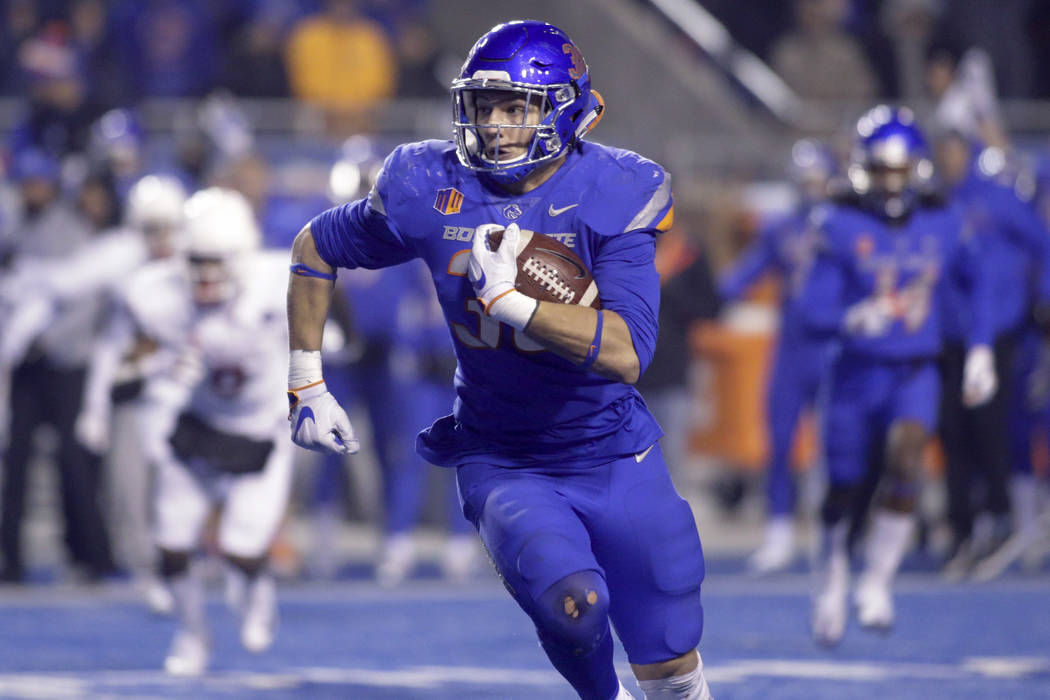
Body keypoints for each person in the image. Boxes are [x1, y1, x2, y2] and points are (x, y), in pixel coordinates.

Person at [285, 20, 711, 700]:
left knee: (671, 661)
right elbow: (315, 247)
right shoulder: (428, 184)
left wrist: (517, 305)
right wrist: (305, 380)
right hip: (504, 455)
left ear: (567, 110)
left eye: (516, 107)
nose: (494, 125)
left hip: (612, 450)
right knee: (575, 604)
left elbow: (629, 351)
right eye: (484, 106)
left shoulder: (616, 188)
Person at [801, 106, 996, 647]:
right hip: (855, 375)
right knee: (844, 488)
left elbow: (980, 281)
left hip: (914, 369)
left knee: (909, 458)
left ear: (918, 169)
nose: (891, 183)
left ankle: (877, 581)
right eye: (881, 170)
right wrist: (849, 318)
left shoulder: (944, 220)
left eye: (900, 170)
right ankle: (833, 574)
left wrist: (981, 347)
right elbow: (809, 310)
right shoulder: (838, 222)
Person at [140, 188, 294, 676]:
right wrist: (156, 386)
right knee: (170, 544)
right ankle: (192, 635)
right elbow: (137, 355)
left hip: (259, 431)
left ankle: (258, 588)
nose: (205, 274)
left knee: (240, 549)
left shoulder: (277, 283)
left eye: (216, 262)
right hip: (198, 425)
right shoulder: (158, 295)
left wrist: (331, 337)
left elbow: (335, 303)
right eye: (197, 261)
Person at [932, 130, 1050, 579]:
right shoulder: (939, 204)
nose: (949, 161)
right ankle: (963, 528)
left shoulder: (997, 199)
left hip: (997, 329)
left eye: (955, 152)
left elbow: (1041, 243)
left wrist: (1039, 296)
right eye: (943, 153)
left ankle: (1000, 519)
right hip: (947, 334)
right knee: (952, 430)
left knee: (993, 425)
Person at [718, 139, 837, 574]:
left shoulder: (846, 226)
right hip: (792, 345)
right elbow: (745, 274)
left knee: (837, 443)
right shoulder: (782, 227)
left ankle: (834, 530)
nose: (810, 187)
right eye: (803, 179)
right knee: (781, 439)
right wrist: (709, 294)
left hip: (835, 345)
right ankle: (780, 531)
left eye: (816, 178)